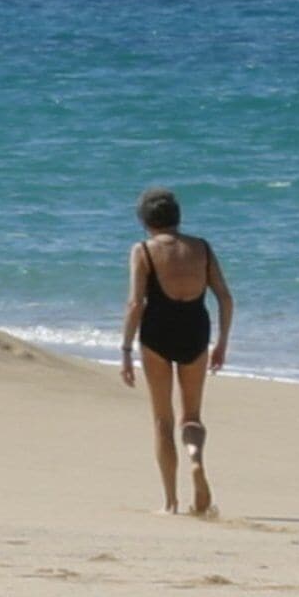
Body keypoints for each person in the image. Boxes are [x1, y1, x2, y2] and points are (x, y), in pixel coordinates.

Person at [119, 187, 233, 517]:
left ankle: (170, 502)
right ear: (177, 217)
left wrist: (126, 349)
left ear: (145, 220)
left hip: (156, 333)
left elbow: (135, 304)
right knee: (192, 416)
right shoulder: (202, 249)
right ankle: (195, 458)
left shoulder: (143, 250)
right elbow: (225, 297)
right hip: (195, 330)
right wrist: (222, 341)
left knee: (161, 420)